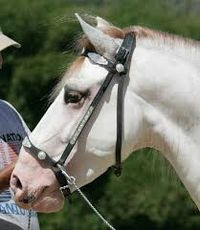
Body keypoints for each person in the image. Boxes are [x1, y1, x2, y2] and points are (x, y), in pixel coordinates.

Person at [0, 28, 40, 229]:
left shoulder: (8, 110)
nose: (0, 62)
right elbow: (30, 162)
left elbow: (37, 156)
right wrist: (21, 167)